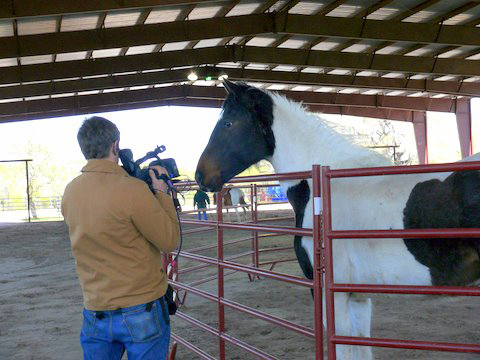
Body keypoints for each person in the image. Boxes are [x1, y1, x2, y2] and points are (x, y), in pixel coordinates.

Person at [61, 116, 180, 360]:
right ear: (115, 146)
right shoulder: (132, 189)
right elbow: (169, 241)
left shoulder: (71, 190)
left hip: (95, 310)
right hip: (141, 308)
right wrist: (162, 194)